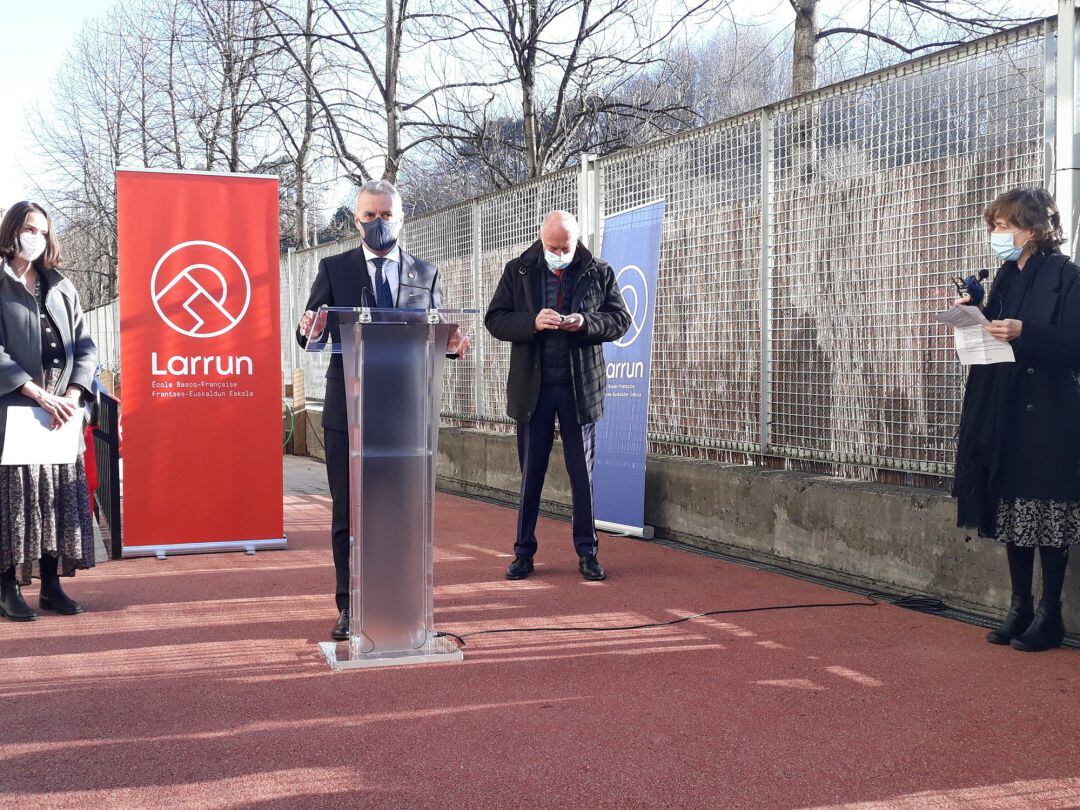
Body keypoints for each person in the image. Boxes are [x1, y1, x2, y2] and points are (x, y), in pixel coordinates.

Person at [297, 180, 468, 641]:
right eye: (369, 216)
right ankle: (348, 605)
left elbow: (435, 337)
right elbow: (310, 333)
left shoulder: (424, 273)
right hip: (347, 412)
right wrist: (308, 325)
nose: (378, 223)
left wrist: (451, 347)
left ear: (401, 217)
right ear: (356, 221)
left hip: (403, 415)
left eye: (386, 214)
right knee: (348, 513)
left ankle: (399, 601)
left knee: (400, 510)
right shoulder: (334, 268)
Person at [954, 187, 1077, 652]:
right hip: (1003, 406)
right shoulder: (1007, 275)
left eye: (1003, 226)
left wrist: (1027, 332)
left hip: (1049, 411)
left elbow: (1074, 344)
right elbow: (997, 331)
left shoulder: (1068, 276)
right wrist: (976, 309)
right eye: (994, 226)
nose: (996, 235)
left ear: (1034, 228)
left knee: (1047, 513)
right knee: (1011, 510)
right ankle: (1019, 607)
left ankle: (1051, 617)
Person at [485, 211, 630, 582]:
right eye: (553, 247)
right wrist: (531, 322)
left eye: (565, 246)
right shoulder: (518, 269)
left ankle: (588, 552)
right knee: (530, 474)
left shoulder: (599, 270)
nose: (559, 252)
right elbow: (495, 319)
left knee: (583, 475)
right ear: (541, 239)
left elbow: (620, 319)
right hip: (532, 390)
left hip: (580, 388)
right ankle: (522, 552)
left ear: (576, 240)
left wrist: (586, 323)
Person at [0, 201, 97, 621]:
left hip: (60, 414)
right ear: (10, 232)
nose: (33, 237)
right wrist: (34, 391)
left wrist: (75, 394)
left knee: (55, 500)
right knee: (15, 503)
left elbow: (86, 346)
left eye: (40, 230)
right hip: (15, 412)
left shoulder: (61, 285)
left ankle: (52, 588)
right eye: (26, 229)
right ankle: (7, 588)